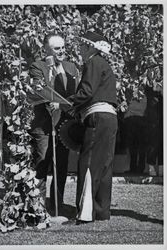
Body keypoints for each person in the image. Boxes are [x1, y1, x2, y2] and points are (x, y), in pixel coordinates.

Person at [67, 31, 118, 223]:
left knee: (88, 163)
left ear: (90, 47)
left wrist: (67, 103)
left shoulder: (93, 62)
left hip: (97, 116)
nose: (79, 49)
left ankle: (85, 213)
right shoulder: (104, 64)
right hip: (110, 118)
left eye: (81, 45)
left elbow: (87, 91)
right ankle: (101, 211)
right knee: (104, 164)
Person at [28, 33, 79, 211]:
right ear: (46, 50)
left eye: (63, 47)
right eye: (57, 48)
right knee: (42, 163)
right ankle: (38, 206)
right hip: (44, 124)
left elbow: (78, 94)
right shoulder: (38, 66)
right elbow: (39, 89)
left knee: (62, 166)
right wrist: (50, 70)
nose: (62, 51)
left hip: (65, 126)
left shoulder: (72, 67)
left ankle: (57, 204)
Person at [123, 88, 147, 174]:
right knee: (136, 146)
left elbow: (128, 108)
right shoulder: (142, 96)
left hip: (133, 120)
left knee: (135, 146)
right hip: (138, 120)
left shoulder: (132, 95)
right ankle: (138, 168)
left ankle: (136, 168)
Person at [145, 82, 163, 176]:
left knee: (162, 142)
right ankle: (151, 167)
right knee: (154, 142)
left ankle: (161, 167)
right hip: (154, 119)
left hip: (161, 116)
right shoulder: (152, 93)